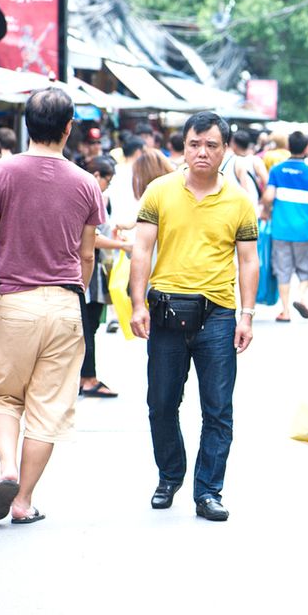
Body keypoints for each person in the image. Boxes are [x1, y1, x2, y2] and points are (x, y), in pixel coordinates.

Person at [129, 111, 259, 523]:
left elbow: (249, 261)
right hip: (165, 312)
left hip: (218, 316)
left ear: (225, 150)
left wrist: (247, 315)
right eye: (194, 144)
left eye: (211, 145)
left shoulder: (239, 200)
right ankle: (169, 477)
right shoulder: (158, 191)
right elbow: (141, 250)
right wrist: (136, 304)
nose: (202, 152)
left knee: (218, 408)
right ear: (183, 147)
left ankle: (208, 491)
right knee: (161, 402)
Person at [0, 88, 106, 524]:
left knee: (5, 395)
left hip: (12, 302)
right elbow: (87, 255)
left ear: (27, 124)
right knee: (48, 408)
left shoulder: (2, 173)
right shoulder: (85, 182)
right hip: (64, 303)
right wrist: (74, 291)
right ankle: (23, 501)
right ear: (68, 127)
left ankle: (5, 465)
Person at [79, 157, 132, 398]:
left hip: (87, 273)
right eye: (107, 182)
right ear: (97, 175)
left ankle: (84, 376)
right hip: (85, 275)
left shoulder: (83, 191)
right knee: (87, 327)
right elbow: (91, 239)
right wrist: (123, 247)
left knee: (89, 326)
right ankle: (88, 378)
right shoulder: (87, 194)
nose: (106, 187)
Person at [261, 131, 308, 322]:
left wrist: (267, 209)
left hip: (280, 229)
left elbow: (268, 197)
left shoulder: (277, 170)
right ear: (306, 148)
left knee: (283, 269)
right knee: (306, 269)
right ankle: (301, 296)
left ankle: (285, 311)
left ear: (288, 146)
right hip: (305, 230)